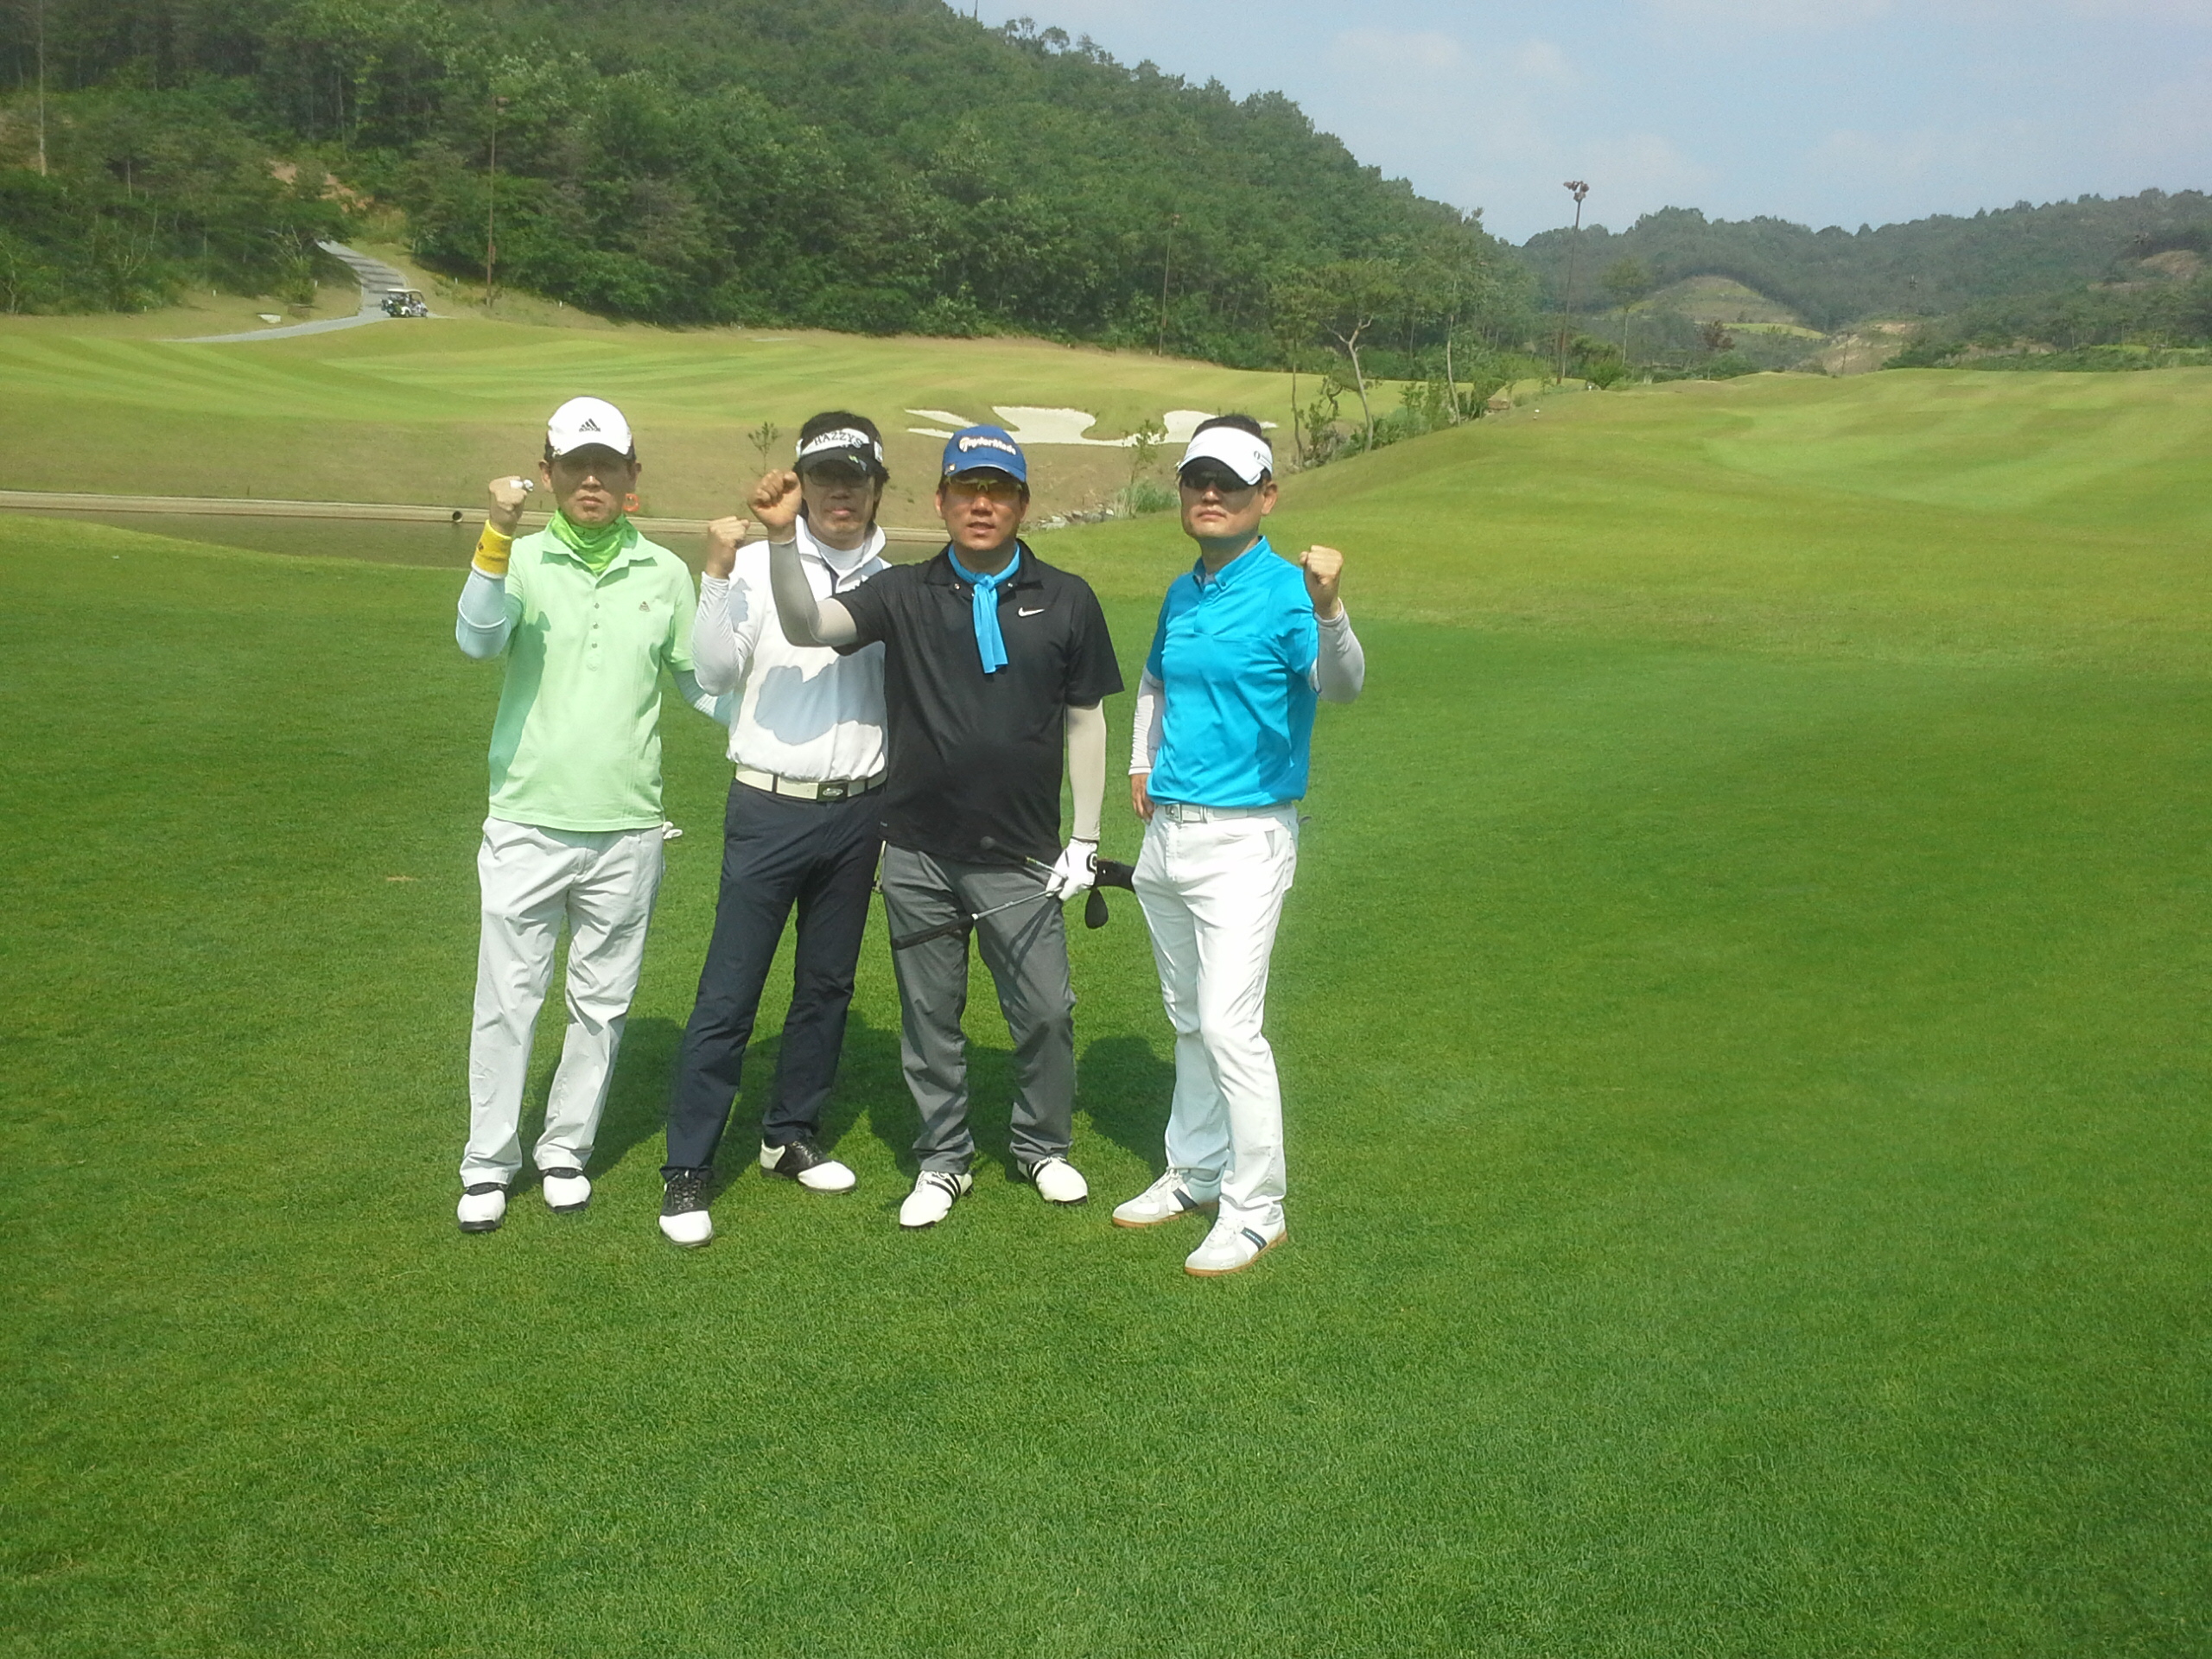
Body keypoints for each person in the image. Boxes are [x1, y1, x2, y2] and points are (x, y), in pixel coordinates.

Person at [766, 425, 1122, 1229]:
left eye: (998, 491)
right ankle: (943, 1160)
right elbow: (806, 627)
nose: (981, 505)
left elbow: (1086, 719)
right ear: (941, 501)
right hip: (919, 850)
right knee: (930, 1019)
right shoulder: (901, 591)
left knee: (1046, 1012)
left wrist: (1086, 839)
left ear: (1022, 504)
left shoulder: (1067, 597)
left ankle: (1042, 1147)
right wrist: (783, 540)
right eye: (967, 490)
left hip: (1024, 854)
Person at [451, 396, 718, 1234]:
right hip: (528, 819)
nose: (591, 480)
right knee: (508, 1001)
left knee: (601, 1005)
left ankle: (564, 1150)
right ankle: (488, 1162)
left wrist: (786, 729)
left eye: (606, 465)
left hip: (628, 825)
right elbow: (478, 640)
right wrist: (497, 532)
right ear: (548, 473)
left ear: (633, 474)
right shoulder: (520, 559)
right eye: (575, 466)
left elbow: (701, 684)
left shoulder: (663, 573)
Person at [1113, 416, 1366, 1275]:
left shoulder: (1291, 591)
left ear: (1267, 496)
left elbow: (1341, 686)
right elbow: (1156, 679)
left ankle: (1257, 1209)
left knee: (1229, 1026)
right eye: (1198, 480)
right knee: (1188, 1018)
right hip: (1170, 836)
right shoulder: (1183, 591)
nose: (1210, 494)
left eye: (1229, 482)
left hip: (1246, 838)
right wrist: (1141, 761)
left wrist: (1330, 609)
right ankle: (1193, 1170)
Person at [657, 413, 897, 1249]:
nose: (840, 493)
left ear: (877, 488)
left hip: (859, 807)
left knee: (827, 987)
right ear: (799, 485)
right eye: (824, 478)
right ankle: (688, 1165)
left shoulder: (896, 581)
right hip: (768, 806)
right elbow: (713, 670)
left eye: (855, 478)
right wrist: (717, 574)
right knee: (730, 992)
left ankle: (789, 1133)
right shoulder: (758, 565)